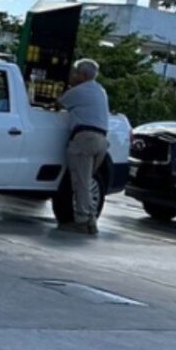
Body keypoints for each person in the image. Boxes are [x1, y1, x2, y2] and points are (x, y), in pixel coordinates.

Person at [57, 58, 111, 234]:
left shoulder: (79, 91)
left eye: (75, 72)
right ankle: (91, 220)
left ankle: (82, 220)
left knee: (80, 182)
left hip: (84, 138)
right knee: (86, 181)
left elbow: (59, 103)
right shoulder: (100, 90)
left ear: (83, 75)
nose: (72, 75)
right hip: (101, 141)